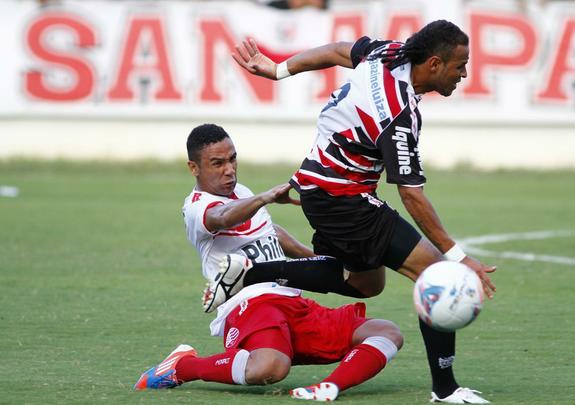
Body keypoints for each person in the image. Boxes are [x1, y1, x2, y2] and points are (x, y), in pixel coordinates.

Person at [230, 20, 496, 404]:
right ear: (434, 64)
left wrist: (278, 70)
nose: (465, 73)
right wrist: (459, 256)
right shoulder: (399, 114)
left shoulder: (388, 53)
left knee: (366, 284)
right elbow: (412, 195)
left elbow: (339, 49)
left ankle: (252, 272)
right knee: (437, 272)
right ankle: (445, 389)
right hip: (344, 200)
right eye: (460, 65)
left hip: (321, 190)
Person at [134, 123, 403, 401]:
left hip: (291, 301)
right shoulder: (196, 206)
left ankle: (328, 387)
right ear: (194, 168)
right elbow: (222, 217)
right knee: (269, 368)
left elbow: (270, 232)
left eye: (232, 159)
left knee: (386, 332)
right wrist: (266, 197)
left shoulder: (243, 192)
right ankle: (183, 366)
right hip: (250, 307)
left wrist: (313, 259)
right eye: (217, 163)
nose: (229, 169)